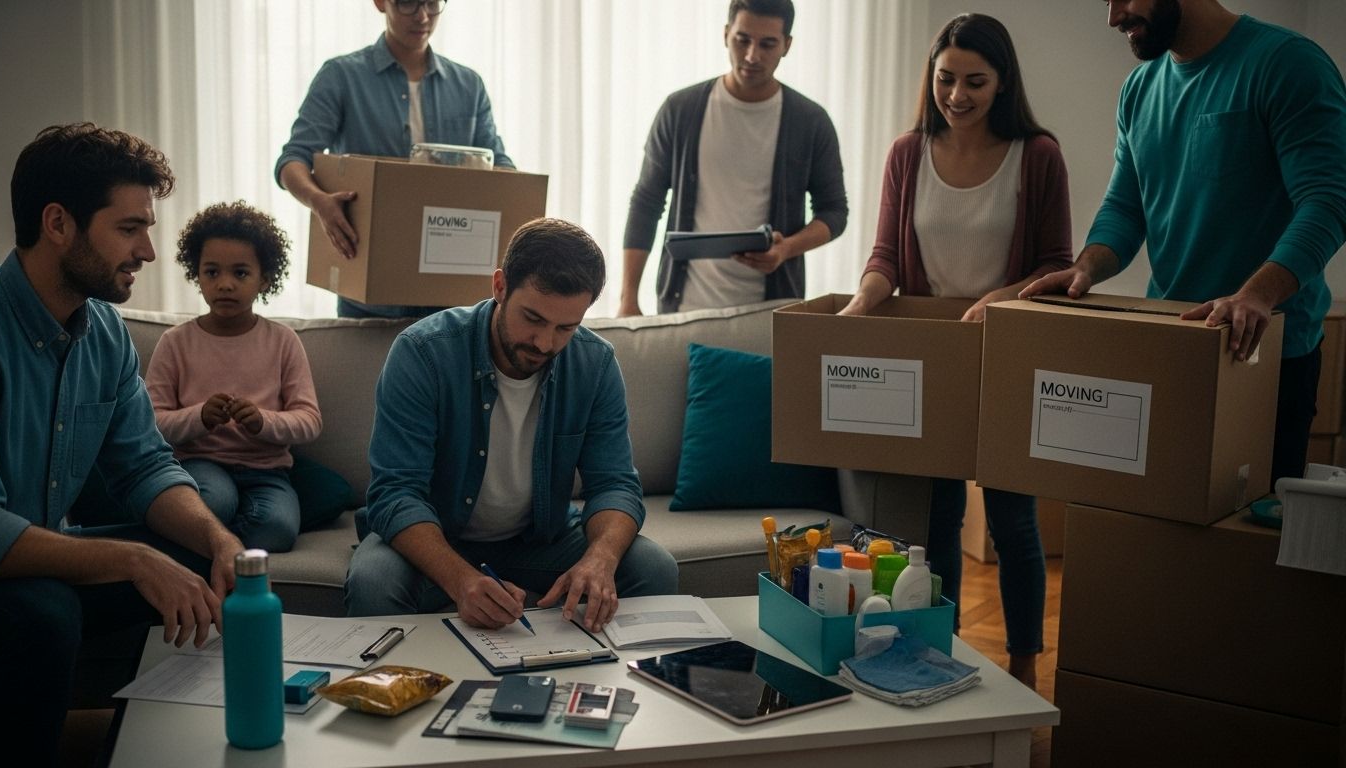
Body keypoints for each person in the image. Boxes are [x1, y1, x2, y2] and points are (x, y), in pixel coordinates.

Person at [0, 123, 244, 767]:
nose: (150, 252)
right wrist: (132, 561)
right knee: (44, 613)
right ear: (58, 224)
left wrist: (219, 543)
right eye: (130, 228)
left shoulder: (104, 331)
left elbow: (144, 466)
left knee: (203, 563)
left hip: (30, 558)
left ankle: (168, 751)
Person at [838, 14, 1071, 688]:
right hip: (932, 355)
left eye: (975, 81)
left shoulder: (1039, 154)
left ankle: (1024, 663)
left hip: (1007, 352)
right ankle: (939, 653)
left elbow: (1058, 265)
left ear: (1002, 84)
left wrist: (1003, 297)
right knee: (935, 521)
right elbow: (886, 258)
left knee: (1012, 519)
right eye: (945, 78)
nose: (957, 94)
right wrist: (858, 308)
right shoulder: (908, 152)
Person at [1022, 0, 1346, 483]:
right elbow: (1126, 207)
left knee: (1244, 544)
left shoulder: (1287, 63)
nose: (1113, 17)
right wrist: (1086, 267)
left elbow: (1328, 199)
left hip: (1264, 358)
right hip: (1173, 346)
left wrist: (1256, 294)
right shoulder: (1139, 88)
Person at [345, 218, 678, 631]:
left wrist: (600, 560)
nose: (545, 343)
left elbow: (614, 484)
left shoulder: (596, 363)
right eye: (533, 319)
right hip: (438, 539)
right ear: (500, 286)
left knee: (654, 567)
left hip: (542, 542)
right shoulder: (423, 353)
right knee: (374, 582)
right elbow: (395, 493)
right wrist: (461, 580)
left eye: (565, 328)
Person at [276, 0, 515, 320]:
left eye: (432, 3)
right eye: (407, 3)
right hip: (370, 291)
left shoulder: (469, 85)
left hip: (451, 293)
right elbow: (294, 158)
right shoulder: (341, 76)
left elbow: (501, 167)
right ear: (380, 3)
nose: (422, 15)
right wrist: (320, 202)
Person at [618, 0, 848, 316]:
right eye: (743, 40)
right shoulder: (679, 110)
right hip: (684, 307)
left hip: (771, 311)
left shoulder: (811, 121)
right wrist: (628, 299)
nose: (753, 55)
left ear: (787, 45)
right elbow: (646, 202)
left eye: (768, 44)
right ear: (726, 34)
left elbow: (834, 212)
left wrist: (786, 250)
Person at [145, 202, 323, 554]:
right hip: (199, 464)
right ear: (196, 274)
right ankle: (216, 541)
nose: (224, 284)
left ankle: (212, 546)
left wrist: (262, 422)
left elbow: (310, 421)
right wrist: (199, 418)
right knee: (215, 502)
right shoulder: (175, 342)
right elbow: (150, 423)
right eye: (212, 272)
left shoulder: (283, 341)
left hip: (268, 471)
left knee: (278, 530)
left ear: (265, 279)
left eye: (240, 273)